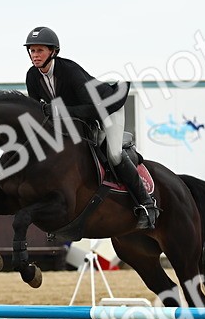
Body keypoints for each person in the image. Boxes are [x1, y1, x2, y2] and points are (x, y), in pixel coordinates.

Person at [23, 26, 159, 229]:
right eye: (32, 51)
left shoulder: (69, 71)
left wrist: (59, 111)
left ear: (53, 51)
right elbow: (39, 111)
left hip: (107, 108)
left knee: (113, 155)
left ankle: (147, 204)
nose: (35, 55)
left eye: (40, 50)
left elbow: (93, 110)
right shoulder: (32, 76)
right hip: (79, 117)